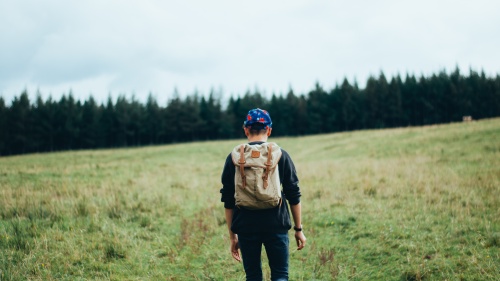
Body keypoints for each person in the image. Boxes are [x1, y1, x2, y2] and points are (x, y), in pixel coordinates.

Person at [220, 108, 306, 281]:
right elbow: (293, 194)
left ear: (245, 130)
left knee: (253, 276)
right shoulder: (281, 155)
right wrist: (298, 229)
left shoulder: (233, 158)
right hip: (276, 223)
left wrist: (232, 237)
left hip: (246, 225)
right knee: (280, 275)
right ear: (269, 130)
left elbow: (228, 200)